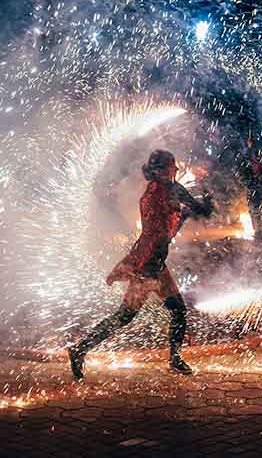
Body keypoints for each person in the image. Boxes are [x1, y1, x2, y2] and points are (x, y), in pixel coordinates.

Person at [67, 149, 214, 380]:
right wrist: (205, 202)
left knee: (176, 310)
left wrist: (186, 213)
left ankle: (175, 359)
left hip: (153, 263)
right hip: (148, 268)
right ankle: (79, 349)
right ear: (162, 170)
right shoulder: (172, 189)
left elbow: (165, 229)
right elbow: (197, 212)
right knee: (126, 316)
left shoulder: (152, 191)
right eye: (171, 167)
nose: (175, 170)